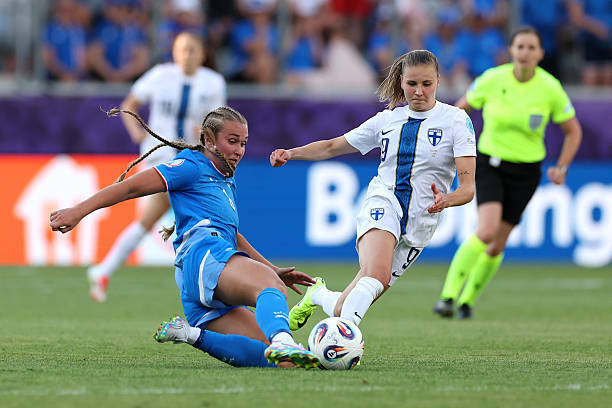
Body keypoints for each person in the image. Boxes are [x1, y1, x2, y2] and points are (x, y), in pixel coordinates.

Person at [50, 106, 320, 369]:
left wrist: (272, 268)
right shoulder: (190, 166)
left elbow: (232, 234)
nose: (239, 150)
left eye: (243, 143)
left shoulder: (225, 178)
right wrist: (78, 211)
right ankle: (284, 340)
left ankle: (189, 334)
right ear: (208, 139)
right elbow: (130, 187)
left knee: (281, 360)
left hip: (198, 278)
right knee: (270, 287)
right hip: (205, 258)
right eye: (232, 141)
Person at [269, 50, 477, 330]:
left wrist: (447, 199)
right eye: (412, 83)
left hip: (421, 224)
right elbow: (332, 146)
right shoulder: (386, 120)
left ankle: (317, 294)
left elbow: (467, 189)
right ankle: (344, 339)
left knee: (345, 305)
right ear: (401, 82)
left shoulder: (456, 121)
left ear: (438, 81)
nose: (418, 91)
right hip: (384, 201)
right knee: (376, 275)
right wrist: (291, 153)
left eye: (426, 84)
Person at [433, 26, 582, 319]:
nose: (525, 53)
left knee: (497, 244)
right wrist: (455, 147)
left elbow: (573, 131)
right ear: (511, 51)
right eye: (520, 47)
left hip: (527, 171)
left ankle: (467, 302)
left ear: (540, 53)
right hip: (491, 163)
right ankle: (447, 297)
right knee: (486, 230)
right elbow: (460, 112)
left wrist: (562, 167)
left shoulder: (550, 88)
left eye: (531, 48)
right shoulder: (492, 79)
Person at [86, 31, 227, 302]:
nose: (186, 55)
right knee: (200, 213)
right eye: (181, 49)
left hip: (191, 158)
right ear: (174, 52)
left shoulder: (213, 82)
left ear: (202, 54)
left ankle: (104, 270)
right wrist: (137, 133)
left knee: (149, 220)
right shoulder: (160, 75)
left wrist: (205, 132)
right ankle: (209, 280)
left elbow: (217, 122)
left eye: (192, 50)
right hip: (159, 156)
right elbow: (130, 104)